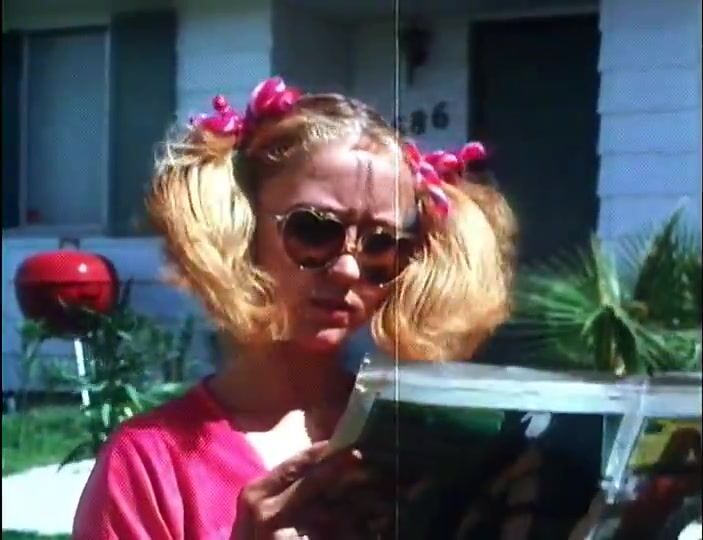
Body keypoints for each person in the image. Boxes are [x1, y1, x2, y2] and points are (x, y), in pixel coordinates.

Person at [72, 76, 516, 539]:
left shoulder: (418, 444)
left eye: (381, 246)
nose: (347, 269)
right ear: (241, 229)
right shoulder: (150, 463)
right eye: (314, 231)